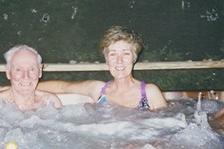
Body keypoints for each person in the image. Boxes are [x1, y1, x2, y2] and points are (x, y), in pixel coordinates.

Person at [37, 26, 168, 110]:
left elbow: (167, 128)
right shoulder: (98, 90)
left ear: (134, 58)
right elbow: (62, 87)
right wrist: (22, 87)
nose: (119, 61)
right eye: (113, 54)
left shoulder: (149, 92)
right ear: (106, 59)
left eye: (126, 54)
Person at [0, 45, 62, 113]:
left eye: (32, 69)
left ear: (40, 71)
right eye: (18, 70)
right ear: (8, 72)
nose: (26, 76)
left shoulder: (51, 102)